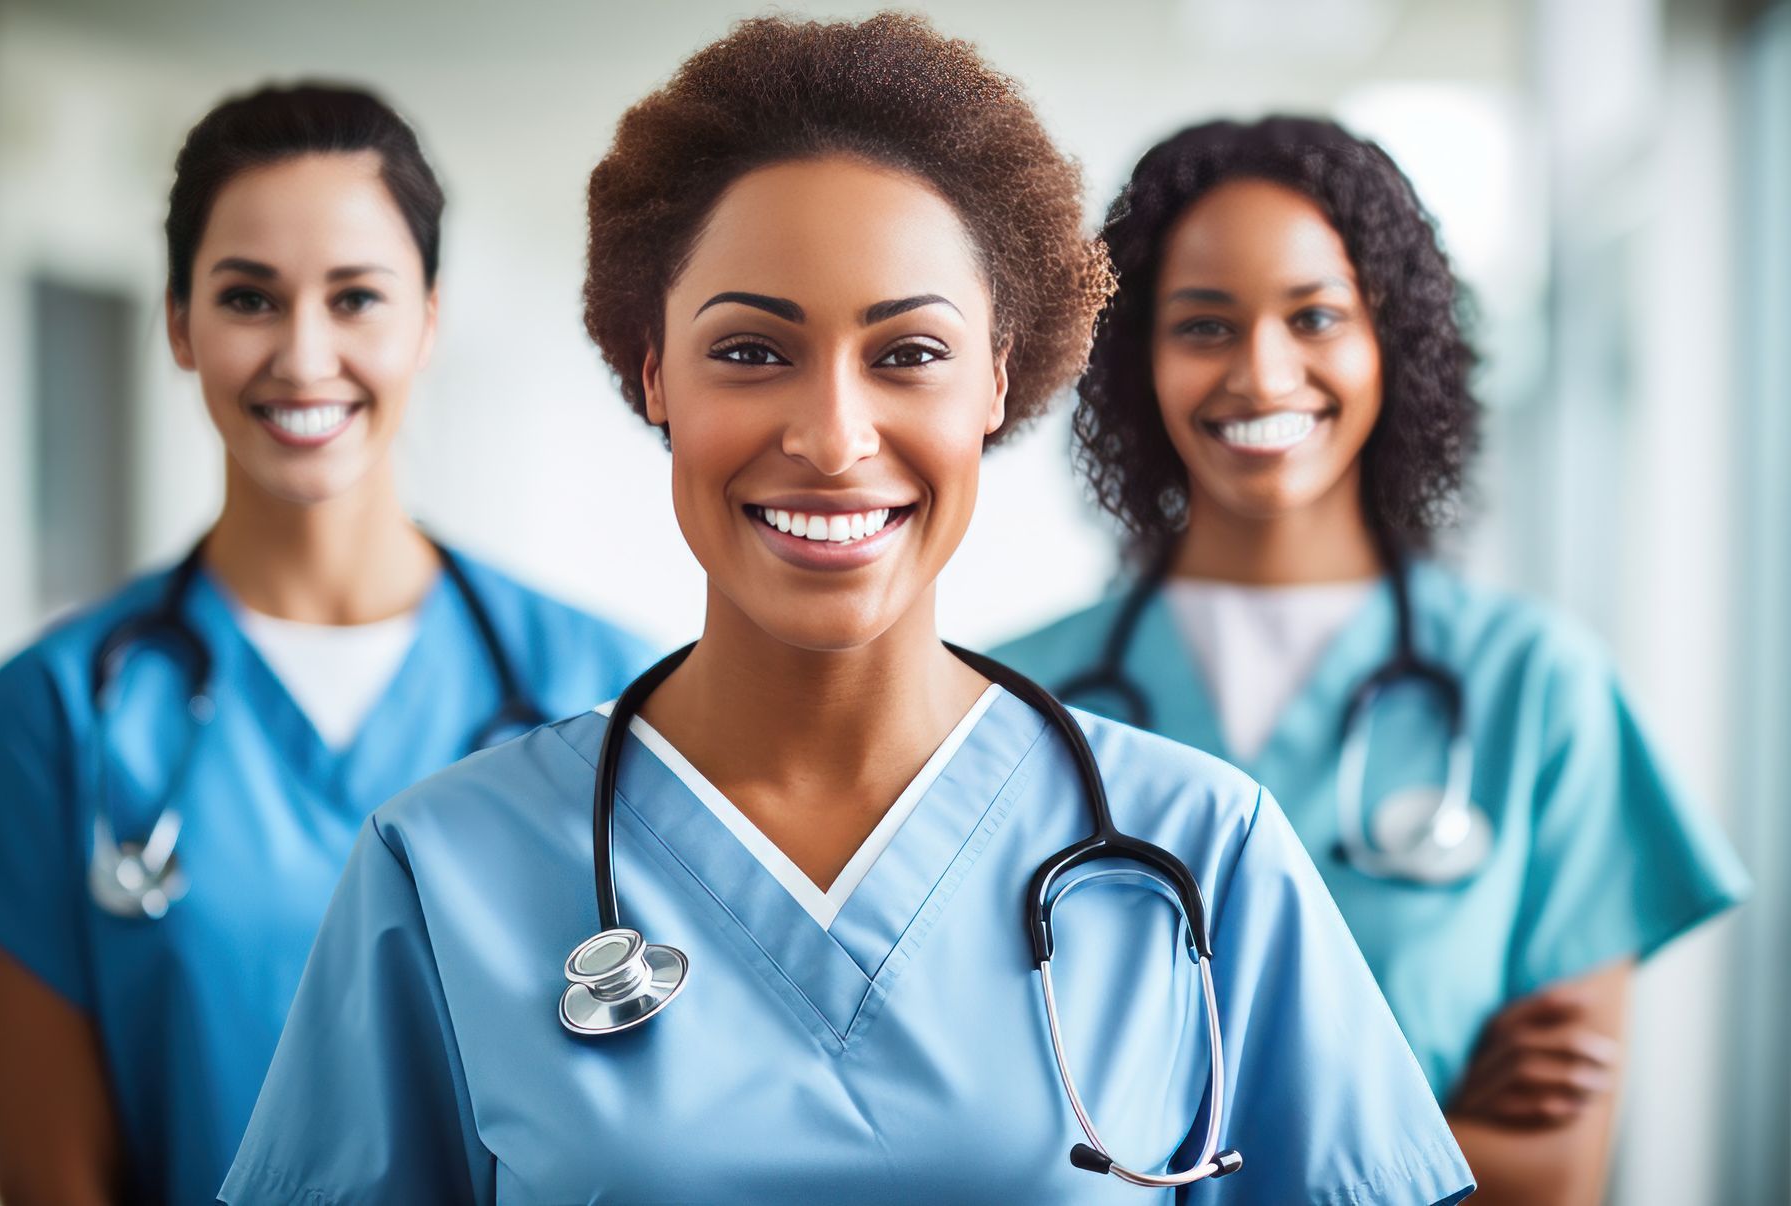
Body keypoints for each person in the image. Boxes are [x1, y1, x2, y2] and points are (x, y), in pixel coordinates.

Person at [221, 22, 1472, 1204]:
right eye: (752, 352)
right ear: (653, 371)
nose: (830, 437)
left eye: (909, 353)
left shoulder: (1204, 854)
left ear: (999, 373)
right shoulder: (446, 871)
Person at [0, 82, 654, 1206]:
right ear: (179, 324)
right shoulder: (50, 718)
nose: (303, 356)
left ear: (428, 322)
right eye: (250, 297)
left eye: (356, 299)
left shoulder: (608, 693)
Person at [994, 116, 1749, 1202]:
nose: (1262, 372)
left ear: (1393, 342)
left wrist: (1150, 1155)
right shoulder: (1015, 700)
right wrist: (1409, 1137)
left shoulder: (1534, 685)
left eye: (1315, 316)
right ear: (1135, 359)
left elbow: (1553, 1175)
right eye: (1204, 325)